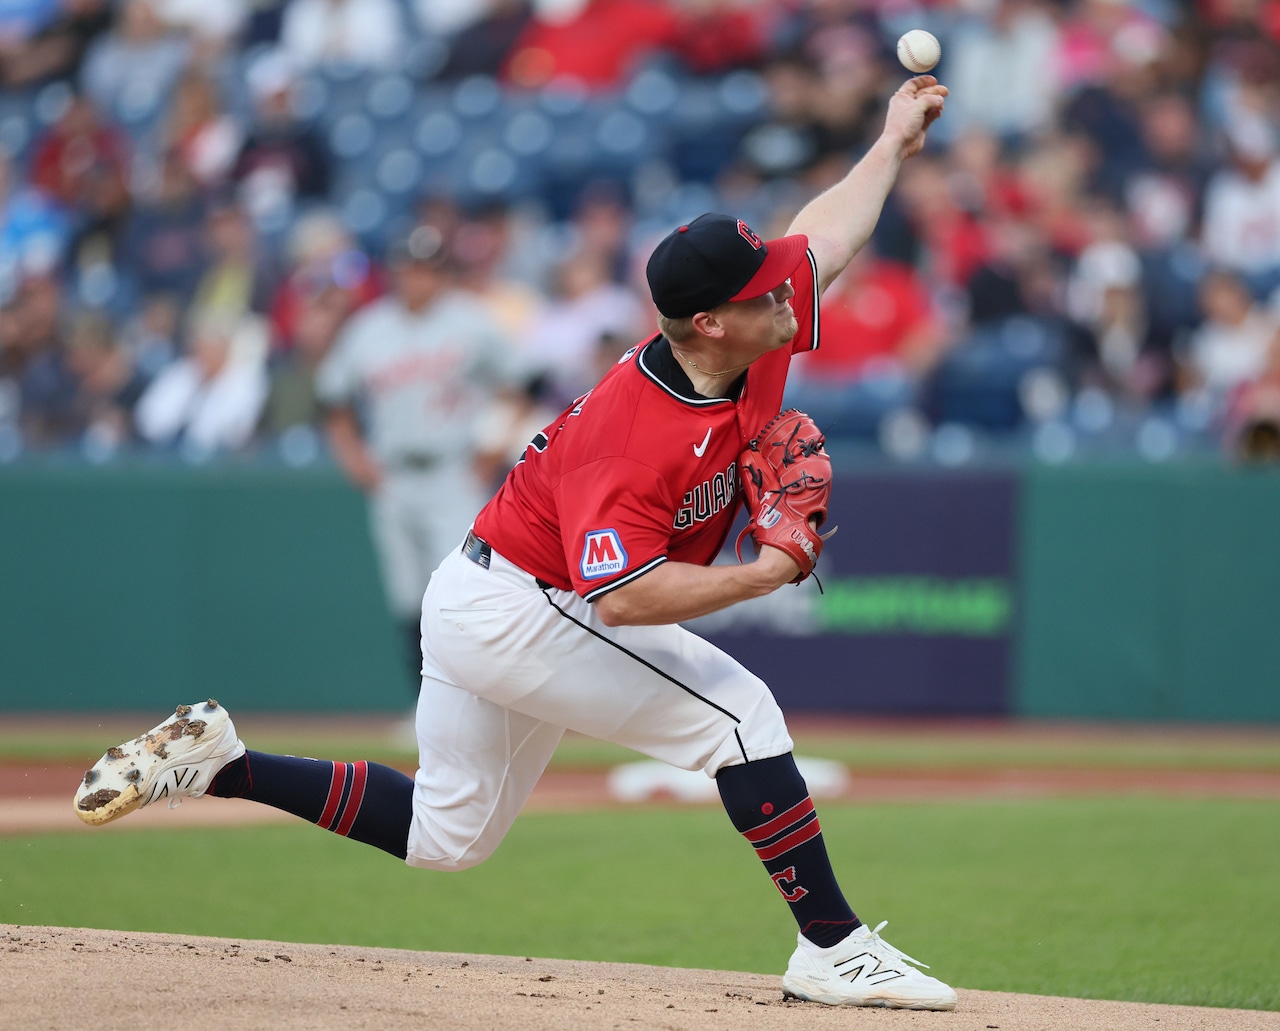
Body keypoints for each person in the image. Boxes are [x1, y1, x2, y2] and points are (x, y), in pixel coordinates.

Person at [73, 75, 955, 1011]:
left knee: (445, 835)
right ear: (709, 320)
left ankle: (219, 762)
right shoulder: (636, 430)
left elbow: (827, 231)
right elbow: (620, 599)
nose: (789, 289)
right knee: (743, 718)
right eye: (762, 287)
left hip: (482, 588)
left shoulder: (750, 330)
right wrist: (767, 572)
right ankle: (832, 945)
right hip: (525, 605)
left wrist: (893, 141)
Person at [315, 224, 517, 695]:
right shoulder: (369, 327)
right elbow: (332, 397)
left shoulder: (472, 319)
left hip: (454, 469)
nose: (416, 278)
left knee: (460, 590)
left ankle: (475, 696)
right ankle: (425, 703)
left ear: (441, 274)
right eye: (408, 268)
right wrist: (352, 455)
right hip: (394, 475)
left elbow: (521, 382)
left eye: (426, 269)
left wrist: (493, 444)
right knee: (407, 596)